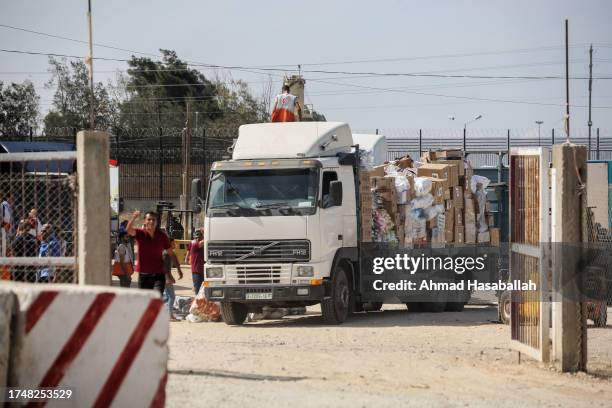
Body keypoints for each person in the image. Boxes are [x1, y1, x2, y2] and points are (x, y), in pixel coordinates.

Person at [127, 210, 175, 296]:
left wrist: (175, 269)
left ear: (156, 222)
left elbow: (170, 253)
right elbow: (129, 230)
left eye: (153, 220)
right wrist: (134, 217)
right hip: (144, 275)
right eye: (149, 219)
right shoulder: (140, 233)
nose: (151, 221)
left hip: (158, 274)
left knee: (157, 297)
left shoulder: (162, 236)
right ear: (145, 221)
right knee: (145, 300)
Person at [163, 238, 183, 321]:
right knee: (172, 297)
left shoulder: (169, 252)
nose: (175, 245)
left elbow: (175, 261)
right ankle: (169, 316)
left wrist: (179, 270)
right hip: (165, 277)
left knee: (167, 297)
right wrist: (169, 277)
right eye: (173, 243)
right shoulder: (165, 253)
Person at [186, 228, 205, 295]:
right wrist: (205, 233)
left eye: (199, 237)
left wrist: (186, 258)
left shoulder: (192, 242)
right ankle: (197, 303)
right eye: (197, 238)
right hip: (198, 271)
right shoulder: (195, 244)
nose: (198, 239)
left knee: (201, 289)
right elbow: (204, 241)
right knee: (199, 290)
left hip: (198, 270)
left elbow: (188, 250)